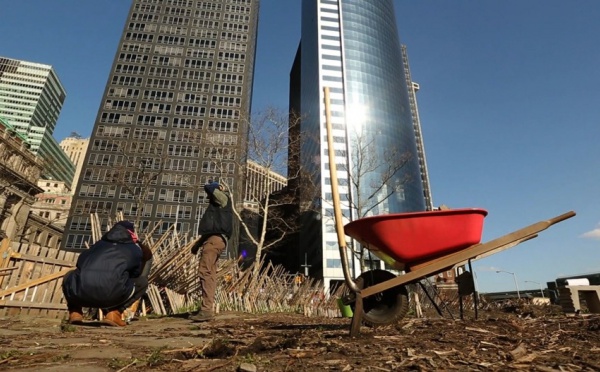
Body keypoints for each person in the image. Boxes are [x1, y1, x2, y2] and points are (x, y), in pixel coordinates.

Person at [62, 220, 153, 326]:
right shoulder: (134, 249)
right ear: (131, 233)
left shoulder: (97, 245)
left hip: (80, 294)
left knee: (69, 275)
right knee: (142, 282)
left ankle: (75, 312)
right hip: (112, 296)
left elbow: (80, 263)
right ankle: (115, 313)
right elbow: (135, 274)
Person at [189, 180, 233, 322]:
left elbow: (208, 187)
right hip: (214, 240)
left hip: (215, 241)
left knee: (205, 271)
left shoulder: (223, 199)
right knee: (210, 273)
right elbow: (211, 230)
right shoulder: (216, 208)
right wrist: (198, 244)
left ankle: (206, 310)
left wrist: (217, 186)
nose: (208, 198)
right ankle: (207, 307)